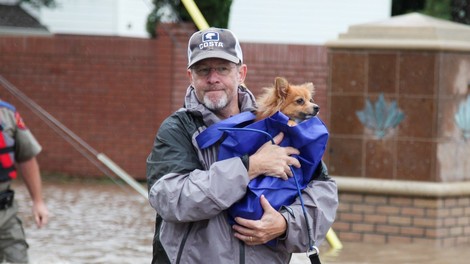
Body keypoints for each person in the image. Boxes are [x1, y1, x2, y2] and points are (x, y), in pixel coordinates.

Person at [146, 27, 338, 264]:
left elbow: (323, 194)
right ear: (191, 77)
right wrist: (250, 167)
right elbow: (171, 199)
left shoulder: (275, 122)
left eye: (223, 69)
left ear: (241, 73)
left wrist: (285, 224)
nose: (213, 78)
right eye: (203, 70)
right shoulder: (177, 129)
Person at [0, 99, 49, 263]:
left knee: (18, 258)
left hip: (6, 211)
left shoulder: (7, 113)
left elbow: (27, 157)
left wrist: (38, 201)